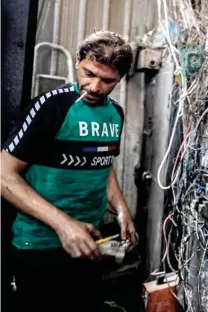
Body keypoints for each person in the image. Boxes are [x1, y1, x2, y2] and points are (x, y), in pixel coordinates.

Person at [1, 31, 137, 312]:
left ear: (120, 79)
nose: (95, 87)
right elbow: (4, 175)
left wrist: (122, 209)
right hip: (39, 246)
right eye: (89, 73)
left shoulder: (116, 114)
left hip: (89, 241)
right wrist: (65, 226)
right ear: (78, 60)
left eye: (107, 80)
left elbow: (102, 161)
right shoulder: (52, 106)